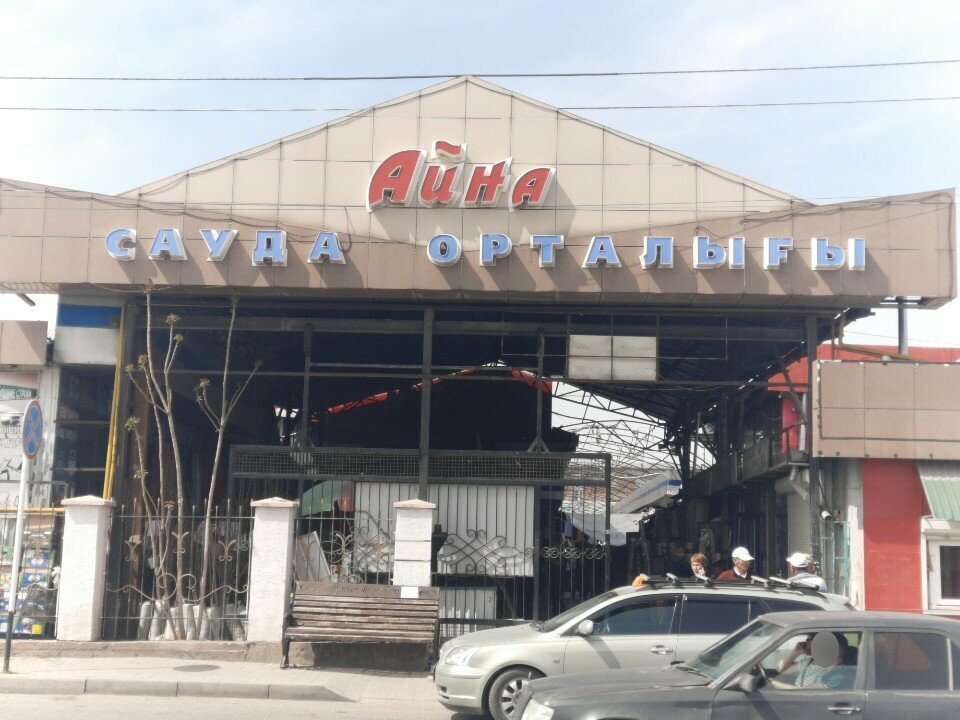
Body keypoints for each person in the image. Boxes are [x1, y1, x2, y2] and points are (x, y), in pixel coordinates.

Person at [775, 632, 855, 690]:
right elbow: (780, 669)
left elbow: (804, 693)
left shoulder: (837, 673)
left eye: (811, 638)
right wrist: (796, 652)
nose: (806, 640)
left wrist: (773, 683)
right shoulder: (809, 662)